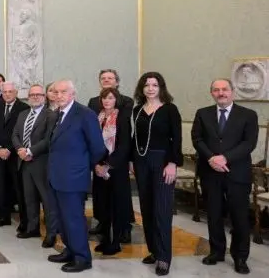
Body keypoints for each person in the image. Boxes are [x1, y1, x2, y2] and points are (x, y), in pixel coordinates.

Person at [192, 79, 257, 275]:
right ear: (211, 93)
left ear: (233, 92)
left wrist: (225, 158)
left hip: (237, 173)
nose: (221, 93)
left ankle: (240, 257)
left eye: (225, 89)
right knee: (213, 215)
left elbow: (249, 143)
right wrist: (212, 158)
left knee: (240, 218)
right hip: (210, 172)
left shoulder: (248, 115)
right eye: (216, 90)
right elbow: (197, 139)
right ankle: (217, 252)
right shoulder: (202, 113)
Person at [46, 80, 106, 273]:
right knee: (62, 218)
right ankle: (69, 250)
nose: (59, 95)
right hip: (56, 176)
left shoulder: (85, 114)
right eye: (56, 92)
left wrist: (83, 167)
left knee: (73, 218)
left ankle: (82, 257)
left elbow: (97, 147)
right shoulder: (58, 114)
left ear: (73, 94)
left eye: (64, 92)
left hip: (73, 177)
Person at [131, 72, 182, 276]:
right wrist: (131, 161)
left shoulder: (170, 110)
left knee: (162, 209)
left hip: (162, 162)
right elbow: (135, 138)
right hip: (141, 161)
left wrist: (173, 163)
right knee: (146, 207)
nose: (150, 88)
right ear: (141, 88)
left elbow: (176, 139)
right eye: (147, 84)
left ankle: (163, 257)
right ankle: (153, 250)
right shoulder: (137, 110)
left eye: (154, 84)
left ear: (161, 87)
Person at [87, 68, 135, 241]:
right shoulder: (93, 102)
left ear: (117, 81)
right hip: (99, 156)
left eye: (110, 78)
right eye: (103, 78)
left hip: (118, 156)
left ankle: (124, 227)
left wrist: (112, 162)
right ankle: (103, 222)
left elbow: (125, 131)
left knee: (120, 193)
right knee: (100, 193)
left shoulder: (126, 101)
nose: (106, 80)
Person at [11, 84, 57, 248]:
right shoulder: (23, 114)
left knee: (47, 200)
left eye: (39, 94)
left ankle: (51, 234)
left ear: (44, 97)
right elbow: (15, 134)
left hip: (41, 163)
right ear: (28, 97)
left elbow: (48, 139)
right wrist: (20, 151)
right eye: (32, 94)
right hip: (24, 163)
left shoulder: (50, 115)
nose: (35, 97)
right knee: (29, 198)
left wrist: (30, 151)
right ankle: (32, 228)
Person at [0, 82, 29, 228]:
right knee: (1, 186)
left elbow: (23, 133)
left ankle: (24, 222)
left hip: (16, 154)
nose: (7, 94)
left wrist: (9, 149)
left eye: (10, 91)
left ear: (16, 92)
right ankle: (3, 217)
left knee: (19, 188)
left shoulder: (24, 108)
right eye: (4, 92)